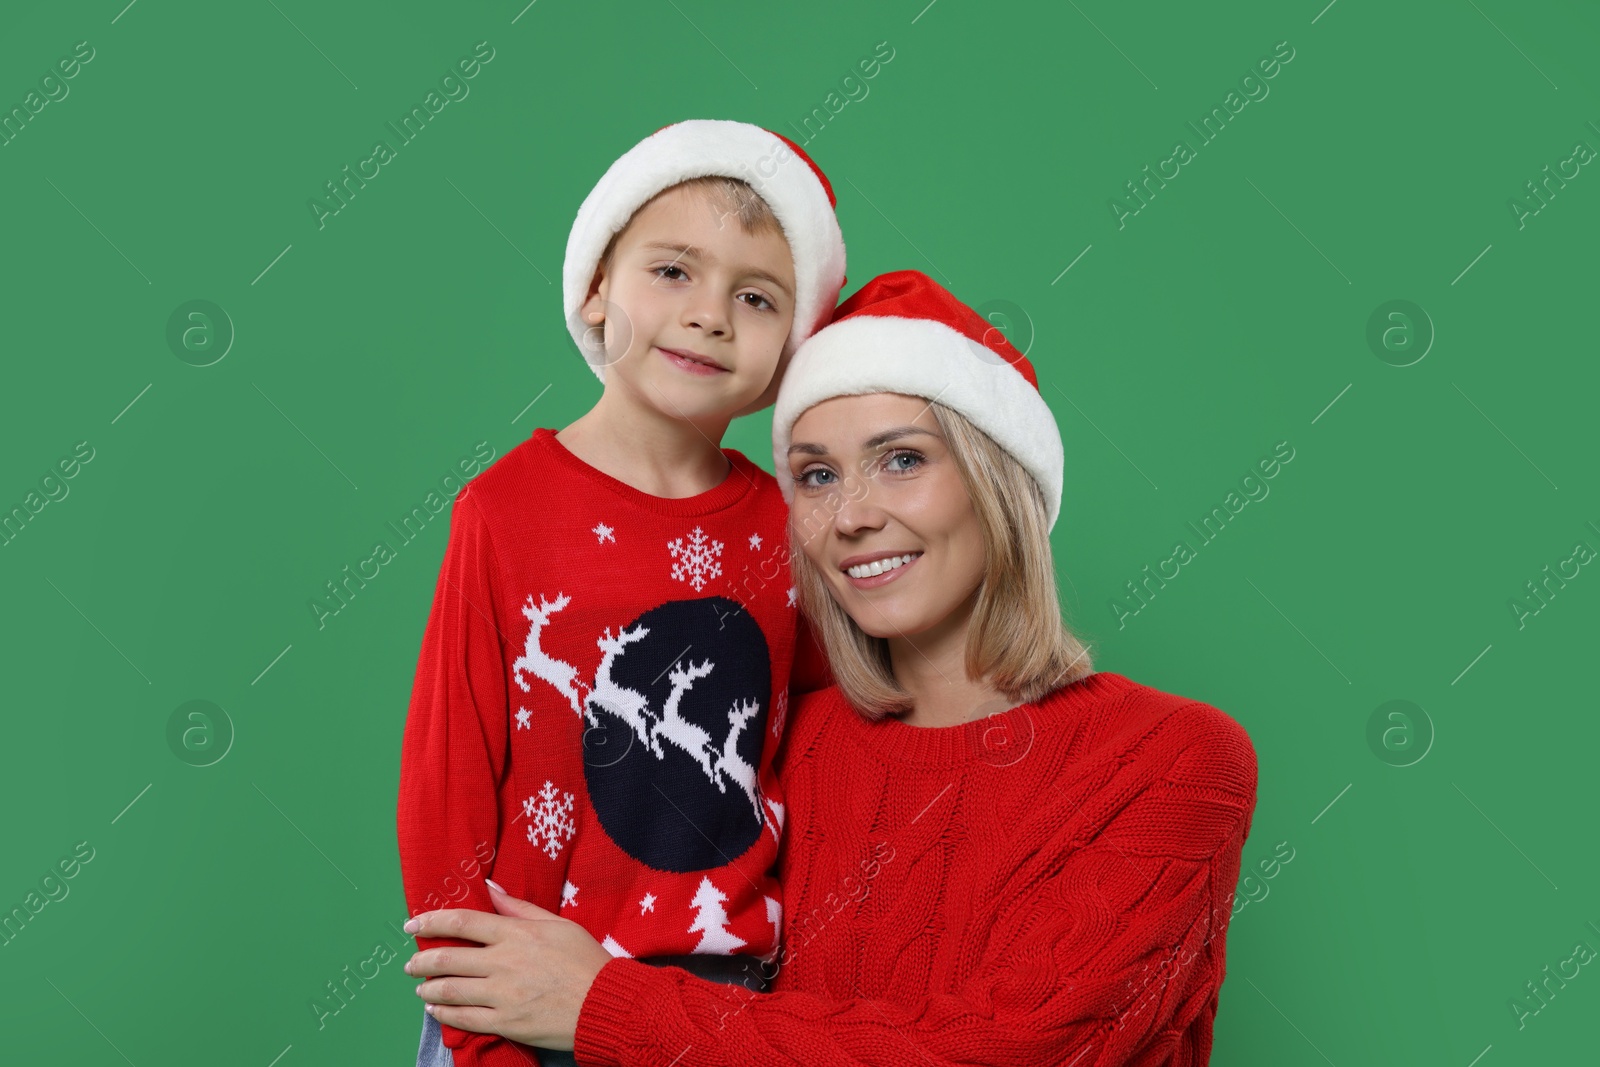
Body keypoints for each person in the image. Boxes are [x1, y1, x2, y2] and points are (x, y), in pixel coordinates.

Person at [404, 270, 1260, 1066]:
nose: (851, 515)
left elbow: (1017, 1050)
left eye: (902, 459)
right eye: (816, 475)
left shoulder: (1175, 760)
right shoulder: (784, 747)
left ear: (1000, 482)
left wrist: (604, 1004)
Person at [396, 119, 846, 1067]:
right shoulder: (505, 513)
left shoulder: (792, 532)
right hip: (512, 1001)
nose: (710, 314)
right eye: (673, 272)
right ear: (599, 290)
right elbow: (446, 789)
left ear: (787, 353)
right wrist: (479, 1036)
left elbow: (820, 747)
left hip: (713, 1003)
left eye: (755, 296)